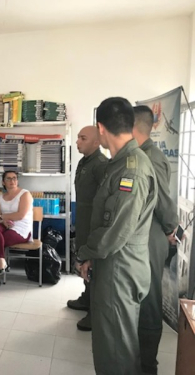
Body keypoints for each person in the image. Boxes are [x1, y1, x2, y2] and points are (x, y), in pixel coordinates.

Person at [77, 97, 158, 375]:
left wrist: (85, 253)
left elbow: (115, 231)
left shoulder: (130, 169)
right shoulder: (120, 162)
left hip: (119, 271)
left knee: (115, 352)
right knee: (115, 344)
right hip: (113, 265)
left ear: (101, 128)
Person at [133, 105, 179, 375]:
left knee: (149, 301)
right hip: (142, 235)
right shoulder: (139, 155)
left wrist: (171, 227)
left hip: (152, 236)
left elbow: (163, 200)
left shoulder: (151, 157)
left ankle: (148, 366)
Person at [66, 126, 108, 331]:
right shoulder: (85, 161)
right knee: (84, 263)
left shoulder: (101, 165)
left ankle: (95, 312)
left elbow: (105, 200)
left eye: (83, 138)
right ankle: (86, 298)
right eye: (78, 137)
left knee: (94, 269)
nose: (77, 142)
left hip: (93, 224)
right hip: (83, 222)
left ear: (96, 142)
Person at [0, 171, 33, 291]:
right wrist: (2, 221)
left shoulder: (25, 194)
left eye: (14, 178)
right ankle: (2, 260)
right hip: (5, 225)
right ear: (3, 182)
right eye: (8, 179)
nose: (12, 181)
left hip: (22, 228)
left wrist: (2, 217)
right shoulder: (0, 198)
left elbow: (21, 215)